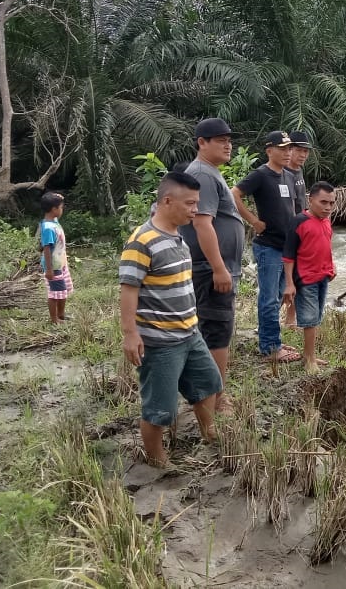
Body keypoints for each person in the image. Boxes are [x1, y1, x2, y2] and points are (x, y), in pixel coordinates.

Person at [120, 171, 222, 468]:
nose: (195, 210)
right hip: (161, 340)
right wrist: (130, 333)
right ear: (167, 201)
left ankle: (210, 433)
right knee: (160, 408)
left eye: (197, 203)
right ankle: (158, 460)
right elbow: (129, 288)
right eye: (190, 204)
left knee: (208, 384)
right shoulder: (142, 241)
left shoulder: (177, 236)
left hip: (190, 332)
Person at [178, 118, 244, 414]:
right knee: (216, 331)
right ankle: (216, 399)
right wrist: (219, 267)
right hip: (209, 269)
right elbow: (203, 224)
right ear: (201, 143)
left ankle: (209, 393)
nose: (227, 144)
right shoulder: (203, 174)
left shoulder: (209, 172)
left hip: (213, 267)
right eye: (219, 140)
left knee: (213, 329)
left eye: (229, 139)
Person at [231, 130, 301, 364]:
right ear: (269, 150)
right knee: (269, 297)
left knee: (281, 295)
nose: (287, 153)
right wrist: (253, 220)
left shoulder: (289, 176)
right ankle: (270, 347)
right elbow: (235, 194)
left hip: (286, 246)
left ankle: (270, 336)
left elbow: (291, 209)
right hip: (268, 246)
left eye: (289, 148)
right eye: (282, 149)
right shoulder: (260, 175)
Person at [282, 182, 337, 374]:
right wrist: (289, 283)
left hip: (323, 275)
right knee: (310, 319)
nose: (328, 207)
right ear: (310, 200)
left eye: (331, 203)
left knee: (317, 315)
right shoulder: (299, 222)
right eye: (323, 202)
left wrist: (332, 266)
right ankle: (309, 359)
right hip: (305, 278)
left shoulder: (327, 221)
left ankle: (309, 355)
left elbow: (325, 245)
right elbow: (288, 255)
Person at [283, 131, 313, 328]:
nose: (303, 155)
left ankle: (290, 320)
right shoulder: (283, 174)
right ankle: (271, 321)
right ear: (289, 150)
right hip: (287, 232)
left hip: (301, 229)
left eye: (305, 151)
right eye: (299, 151)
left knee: (298, 276)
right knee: (284, 279)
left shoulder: (299, 172)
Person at [38, 192, 73, 323]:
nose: (62, 209)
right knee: (55, 293)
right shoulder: (48, 228)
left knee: (62, 290)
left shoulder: (53, 221)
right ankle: (54, 319)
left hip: (60, 263)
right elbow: (46, 249)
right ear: (54, 209)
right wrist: (49, 270)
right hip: (53, 266)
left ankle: (61, 314)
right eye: (61, 207)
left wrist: (59, 198)